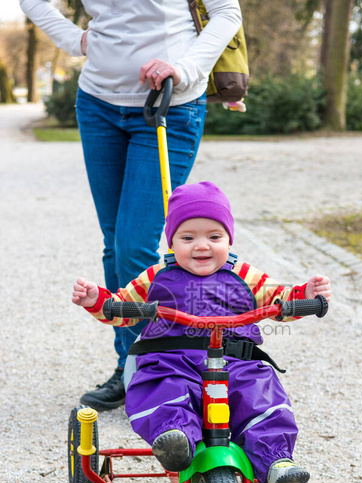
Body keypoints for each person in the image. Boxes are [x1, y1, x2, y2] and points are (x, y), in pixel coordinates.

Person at [20, 0, 243, 410]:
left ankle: (155, 369)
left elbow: (228, 12)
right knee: (114, 242)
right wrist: (77, 39)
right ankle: (130, 366)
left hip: (169, 105)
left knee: (135, 245)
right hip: (98, 104)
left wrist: (186, 68)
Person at [72, 181, 331, 483]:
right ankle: (176, 440)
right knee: (164, 391)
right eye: (187, 237)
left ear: (229, 239)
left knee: (261, 393)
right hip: (171, 360)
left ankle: (275, 461)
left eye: (214, 236)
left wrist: (306, 295)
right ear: (172, 242)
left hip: (235, 361)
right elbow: (122, 310)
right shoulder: (156, 276)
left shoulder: (245, 275)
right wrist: (97, 300)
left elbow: (280, 301)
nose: (202, 246)